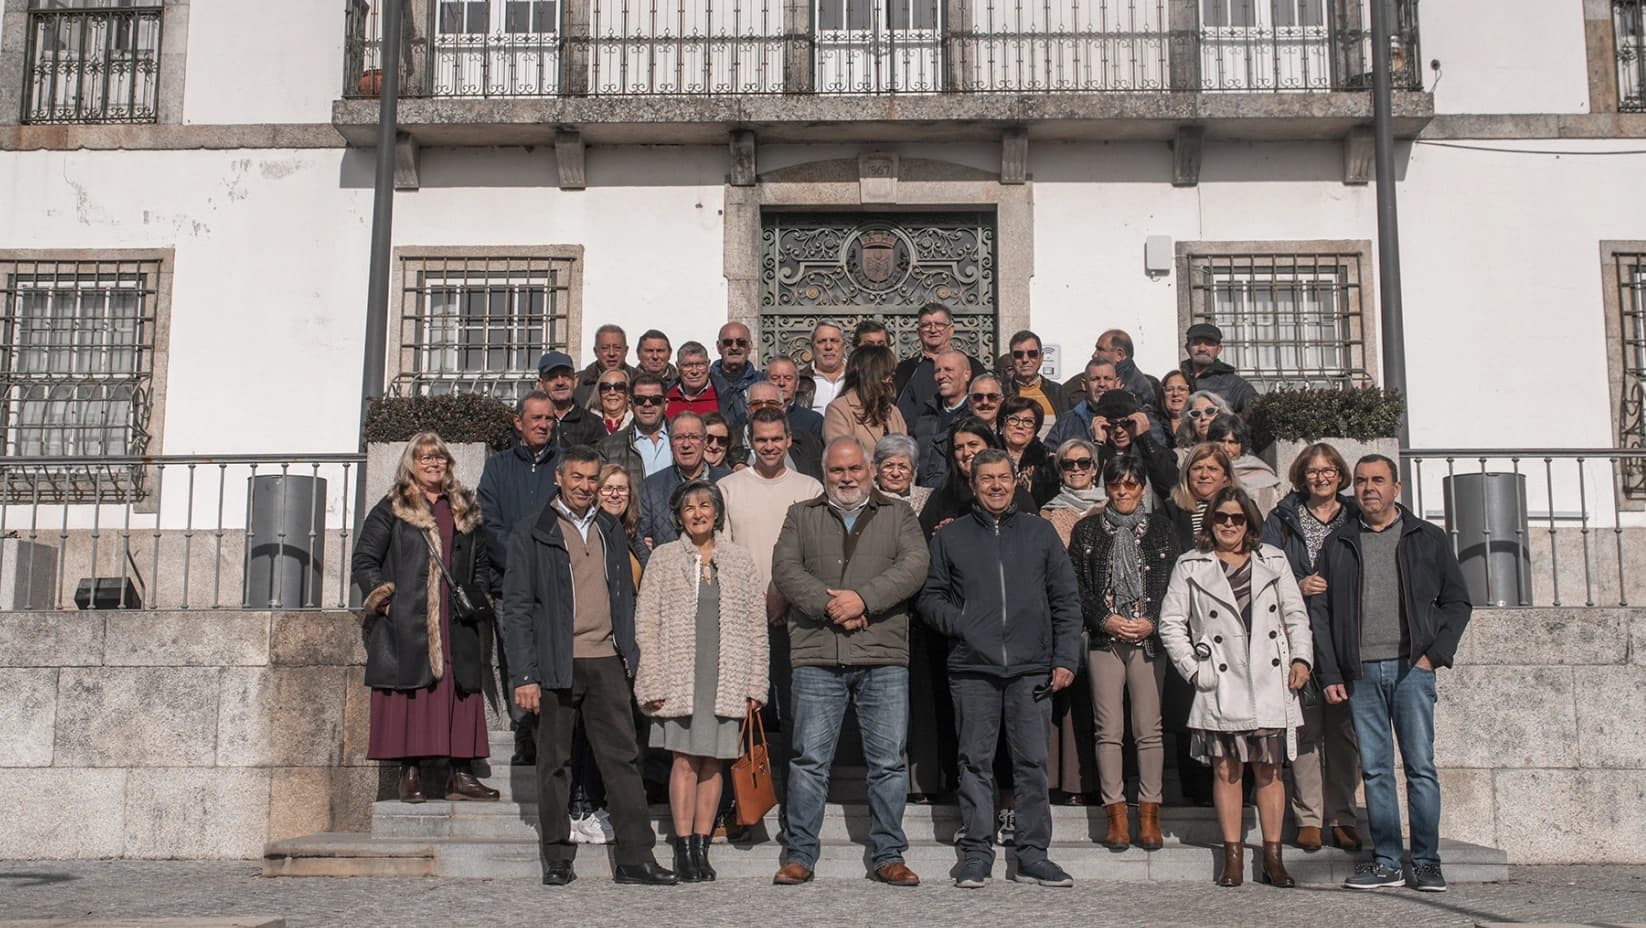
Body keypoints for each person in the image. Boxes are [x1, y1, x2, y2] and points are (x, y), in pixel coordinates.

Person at [499, 445, 677, 886]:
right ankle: (557, 857)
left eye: (591, 479)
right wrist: (525, 675)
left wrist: (633, 654)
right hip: (557, 663)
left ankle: (636, 859)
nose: (584, 486)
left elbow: (627, 596)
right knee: (554, 763)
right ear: (559, 477)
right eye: (576, 477)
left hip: (607, 661)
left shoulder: (609, 528)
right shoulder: (533, 531)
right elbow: (518, 608)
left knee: (623, 760)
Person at [919, 448, 1083, 889]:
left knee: (1032, 764)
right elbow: (931, 598)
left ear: (1016, 482)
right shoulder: (950, 538)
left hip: (1032, 668)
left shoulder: (1040, 534)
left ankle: (1033, 855)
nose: (995, 485)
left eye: (1003, 478)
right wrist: (964, 623)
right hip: (973, 668)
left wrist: (1066, 657)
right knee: (974, 761)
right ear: (973, 485)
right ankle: (975, 854)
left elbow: (1066, 599)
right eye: (986, 478)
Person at [770, 437, 930, 886]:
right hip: (818, 654)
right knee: (808, 761)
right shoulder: (801, 515)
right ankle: (800, 854)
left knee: (888, 763)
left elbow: (915, 565)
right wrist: (830, 607)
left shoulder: (898, 515)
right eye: (837, 471)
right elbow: (785, 568)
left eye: (854, 469)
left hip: (882, 654)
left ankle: (889, 855)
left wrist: (863, 600)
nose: (846, 478)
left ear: (871, 470)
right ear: (825, 473)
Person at [1311, 455, 1472, 893]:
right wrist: (1330, 673)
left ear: (1396, 488)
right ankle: (1386, 861)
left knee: (1420, 767)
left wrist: (1433, 655)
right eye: (1361, 481)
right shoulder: (1338, 543)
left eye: (1378, 480)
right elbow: (1321, 614)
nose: (1368, 488)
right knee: (1376, 771)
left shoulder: (1428, 538)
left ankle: (1425, 861)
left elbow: (1457, 602)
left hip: (1411, 670)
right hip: (1360, 672)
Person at [1159, 486, 1312, 889]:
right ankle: (1233, 858)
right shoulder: (1191, 564)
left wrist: (1301, 658)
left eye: (1237, 518)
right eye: (1222, 517)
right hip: (1220, 682)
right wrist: (1194, 670)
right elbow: (1170, 624)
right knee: (1226, 771)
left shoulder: (1273, 560)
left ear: (1250, 522)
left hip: (1268, 678)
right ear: (1211, 522)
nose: (1229, 524)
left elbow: (1295, 614)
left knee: (1269, 770)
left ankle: (1273, 858)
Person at [634, 479, 769, 883]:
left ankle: (702, 844)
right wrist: (652, 679)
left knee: (714, 762)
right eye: (689, 507)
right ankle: (682, 847)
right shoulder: (663, 558)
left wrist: (755, 684)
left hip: (726, 673)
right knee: (684, 760)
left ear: (717, 512)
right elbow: (647, 622)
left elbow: (756, 626)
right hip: (680, 675)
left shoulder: (740, 561)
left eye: (705, 505)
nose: (698, 513)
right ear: (679, 515)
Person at [354, 433, 498, 803]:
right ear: (411, 464)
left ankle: (461, 774)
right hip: (411, 619)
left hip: (456, 619)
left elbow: (480, 562)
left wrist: (477, 595)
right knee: (414, 692)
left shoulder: (463, 506)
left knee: (461, 688)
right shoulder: (394, 506)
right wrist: (386, 602)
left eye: (440, 459)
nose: (434, 464)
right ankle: (411, 773)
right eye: (425, 459)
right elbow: (366, 559)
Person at [1069, 453, 1182, 850]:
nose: (1123, 492)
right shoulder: (1087, 531)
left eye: (1131, 484)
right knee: (1109, 730)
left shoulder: (1163, 530)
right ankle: (1115, 813)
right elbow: (1078, 588)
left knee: (1149, 730)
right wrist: (1105, 619)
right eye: (1116, 484)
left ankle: (1149, 811)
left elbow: (1174, 583)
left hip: (1149, 637)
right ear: (1106, 486)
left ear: (1143, 487)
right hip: (1106, 637)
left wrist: (1152, 618)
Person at [719, 406, 825, 805]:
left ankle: (796, 804)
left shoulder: (810, 488)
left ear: (788, 440)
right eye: (761, 440)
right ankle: (747, 804)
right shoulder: (729, 487)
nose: (768, 447)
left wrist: (784, 595)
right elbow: (724, 555)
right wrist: (754, 602)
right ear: (751, 441)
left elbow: (816, 555)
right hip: (744, 620)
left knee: (798, 715)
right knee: (747, 715)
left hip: (797, 619)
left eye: (775, 439)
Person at [1261, 443, 1363, 853]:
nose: (1320, 477)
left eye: (1328, 470)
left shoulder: (1355, 515)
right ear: (1301, 476)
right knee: (1302, 727)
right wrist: (1297, 587)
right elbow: (1265, 565)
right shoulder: (1282, 518)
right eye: (1312, 471)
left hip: (1346, 631)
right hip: (1295, 631)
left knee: (1344, 731)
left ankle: (1341, 816)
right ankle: (1307, 817)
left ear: (1340, 475)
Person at [476, 392, 560, 766]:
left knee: (553, 658)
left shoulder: (564, 464)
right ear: (518, 422)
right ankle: (525, 736)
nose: (543, 424)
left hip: (556, 583)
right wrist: (522, 561)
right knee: (517, 660)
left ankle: (552, 735)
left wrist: (544, 563)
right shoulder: (498, 468)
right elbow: (488, 523)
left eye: (548, 419)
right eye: (536, 418)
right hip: (510, 583)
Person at [1160, 443, 1242, 806]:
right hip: (1186, 620)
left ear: (1226, 474)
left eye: (1212, 468)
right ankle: (1195, 790)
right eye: (1197, 469)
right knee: (1187, 707)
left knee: (1234, 707)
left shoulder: (1240, 512)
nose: (1205, 475)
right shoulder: (1170, 511)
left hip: (1230, 622)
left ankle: (1239, 789)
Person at [1039, 438, 1105, 805]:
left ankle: (1092, 784)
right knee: (1062, 703)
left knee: (1098, 704)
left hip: (1104, 619)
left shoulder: (1110, 508)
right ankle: (1059, 782)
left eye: (1083, 463)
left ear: (1095, 467)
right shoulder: (1047, 514)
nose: (1077, 470)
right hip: (1061, 615)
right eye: (1069, 465)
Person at [637, 411, 733, 557]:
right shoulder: (651, 487)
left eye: (694, 437)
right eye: (679, 438)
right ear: (670, 443)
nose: (686, 444)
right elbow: (640, 542)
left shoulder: (728, 483)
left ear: (705, 442)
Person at [894, 303, 984, 425]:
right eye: (926, 325)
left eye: (939, 324)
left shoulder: (971, 366)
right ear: (918, 331)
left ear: (951, 329)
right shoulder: (904, 370)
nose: (933, 330)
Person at [1046, 358, 1162, 451]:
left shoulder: (1139, 418)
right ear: (1084, 385)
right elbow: (1050, 455)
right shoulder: (1067, 422)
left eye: (1107, 379)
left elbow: (1159, 458)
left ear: (1117, 382)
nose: (1102, 384)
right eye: (1095, 379)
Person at [822, 344, 907, 453]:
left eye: (891, 375)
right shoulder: (839, 410)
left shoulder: (893, 412)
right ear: (870, 374)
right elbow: (843, 457)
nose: (890, 380)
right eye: (885, 374)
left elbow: (906, 453)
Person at [909, 350, 973, 489]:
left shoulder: (974, 415)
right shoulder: (926, 415)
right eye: (937, 371)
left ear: (966, 374)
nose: (941, 376)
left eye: (948, 369)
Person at [598, 373, 671, 489]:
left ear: (666, 404)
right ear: (631, 404)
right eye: (640, 400)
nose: (647, 404)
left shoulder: (683, 440)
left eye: (655, 400)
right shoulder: (608, 447)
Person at [743, 380, 824, 481]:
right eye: (756, 404)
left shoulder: (806, 442)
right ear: (747, 409)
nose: (764, 408)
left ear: (782, 408)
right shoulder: (730, 442)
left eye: (771, 404)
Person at [1206, 414, 1282, 515]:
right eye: (1221, 441)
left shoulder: (1260, 475)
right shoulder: (1201, 470)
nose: (1226, 447)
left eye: (1232, 442)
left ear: (1241, 445)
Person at [1179, 323, 1257, 414]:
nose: (1202, 348)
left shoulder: (1234, 385)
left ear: (1219, 349)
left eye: (1209, 343)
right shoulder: (1178, 380)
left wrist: (1229, 425)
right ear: (1187, 348)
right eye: (1196, 343)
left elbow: (1256, 411)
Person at [537, 351, 607, 449]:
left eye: (566, 376)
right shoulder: (531, 423)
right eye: (552, 377)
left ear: (575, 381)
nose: (560, 382)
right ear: (541, 384)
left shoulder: (593, 424)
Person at [997, 396, 1058, 508]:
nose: (1020, 426)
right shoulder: (988, 457)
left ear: (1035, 429)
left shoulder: (1047, 462)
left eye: (1028, 421)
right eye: (1013, 419)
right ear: (1002, 424)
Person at [1001, 330, 1068, 429]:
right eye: (1018, 355)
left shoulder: (1057, 391)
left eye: (1032, 354)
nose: (1025, 359)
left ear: (1041, 358)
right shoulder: (1002, 391)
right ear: (1011, 359)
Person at [598, 463, 645, 589]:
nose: (615, 494)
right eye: (607, 488)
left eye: (621, 489)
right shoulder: (591, 535)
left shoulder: (635, 534)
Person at [710, 321, 764, 428]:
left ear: (750, 346)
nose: (734, 347)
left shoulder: (762, 382)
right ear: (718, 347)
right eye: (728, 342)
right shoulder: (707, 383)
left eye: (741, 342)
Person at [574, 324, 636, 409]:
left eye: (617, 348)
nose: (611, 353)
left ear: (626, 351)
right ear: (596, 351)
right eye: (605, 348)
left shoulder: (638, 379)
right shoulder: (579, 382)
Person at [666, 342, 731, 424]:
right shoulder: (665, 397)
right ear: (678, 367)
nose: (694, 371)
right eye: (687, 365)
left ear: (708, 365)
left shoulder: (726, 397)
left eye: (700, 365)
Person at [763, 356, 825, 440]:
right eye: (775, 378)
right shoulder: (753, 415)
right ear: (766, 383)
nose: (781, 383)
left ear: (797, 384)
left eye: (788, 378)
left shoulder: (813, 420)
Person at [872, 433, 931, 516]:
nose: (895, 473)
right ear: (877, 468)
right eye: (888, 466)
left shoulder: (928, 499)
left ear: (913, 470)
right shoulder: (865, 497)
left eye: (902, 467)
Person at [800, 322, 848, 414]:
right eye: (822, 341)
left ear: (843, 345)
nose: (828, 347)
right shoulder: (800, 381)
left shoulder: (858, 377)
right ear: (812, 347)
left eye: (834, 341)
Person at [1155, 369, 1194, 448]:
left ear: (1190, 393)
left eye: (1182, 389)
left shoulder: (1197, 423)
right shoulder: (1154, 423)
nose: (1175, 394)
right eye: (1169, 389)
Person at [596, 369, 632, 435]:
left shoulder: (637, 423)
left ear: (628, 394)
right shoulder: (588, 422)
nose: (612, 392)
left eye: (619, 387)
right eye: (606, 387)